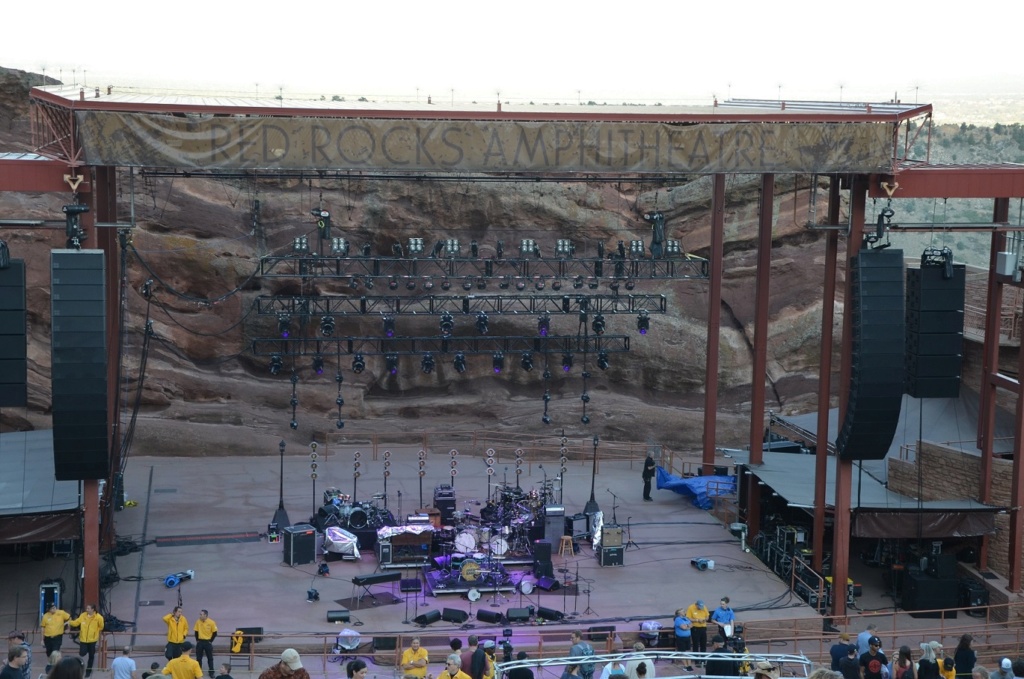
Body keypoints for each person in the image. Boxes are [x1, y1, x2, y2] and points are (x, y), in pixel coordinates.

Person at [68, 604, 104, 678]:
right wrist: (70, 622)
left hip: (92, 640)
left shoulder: (98, 617)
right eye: (86, 608)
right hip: (83, 639)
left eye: (88, 608)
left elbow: (101, 626)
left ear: (93, 609)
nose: (86, 609)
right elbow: (76, 622)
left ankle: (88, 671)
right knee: (82, 653)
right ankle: (82, 661)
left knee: (91, 656)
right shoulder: (83, 615)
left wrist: (95, 632)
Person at [193, 610, 217, 679]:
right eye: (200, 614)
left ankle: (211, 672)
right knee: (198, 658)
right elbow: (196, 632)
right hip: (200, 642)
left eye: (201, 614)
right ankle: (198, 672)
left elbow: (215, 633)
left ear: (205, 615)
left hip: (207, 642)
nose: (200, 616)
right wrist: (197, 640)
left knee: (210, 658)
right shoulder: (198, 622)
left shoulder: (211, 622)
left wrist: (210, 641)